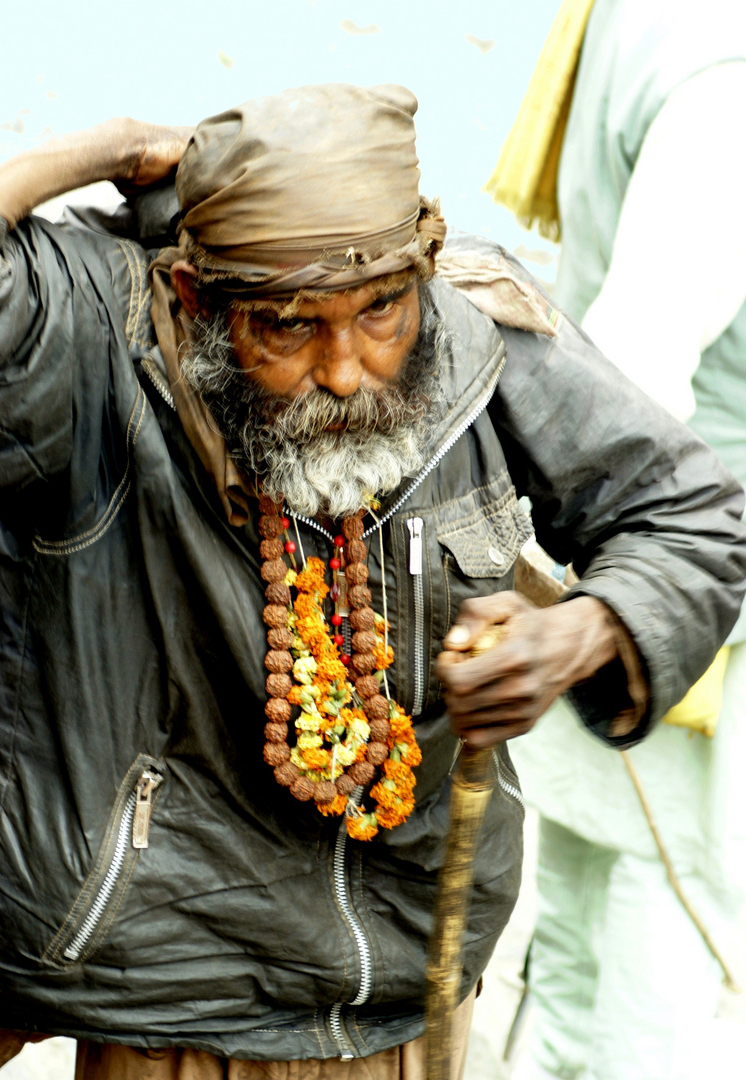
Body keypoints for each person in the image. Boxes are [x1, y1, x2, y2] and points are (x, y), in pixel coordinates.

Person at [0, 83, 743, 1080]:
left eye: (382, 310)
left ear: (422, 273)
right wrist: (115, 146)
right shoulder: (95, 332)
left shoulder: (473, 330)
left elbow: (689, 513)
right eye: (291, 328)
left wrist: (576, 633)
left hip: (415, 980)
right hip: (170, 997)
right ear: (194, 301)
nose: (347, 369)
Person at [486, 2, 746, 1078]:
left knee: (589, 946)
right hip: (675, 595)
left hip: (609, 567)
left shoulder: (636, 15)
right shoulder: (719, 68)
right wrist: (591, 608)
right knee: (668, 958)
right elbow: (642, 344)